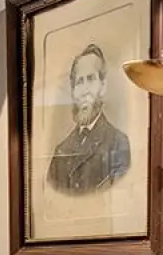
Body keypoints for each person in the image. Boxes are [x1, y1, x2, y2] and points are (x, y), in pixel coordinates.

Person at [48, 43, 132, 195]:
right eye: (79, 82)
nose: (85, 90)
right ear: (73, 91)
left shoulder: (118, 143)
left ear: (103, 86)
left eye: (91, 79)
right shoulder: (61, 151)